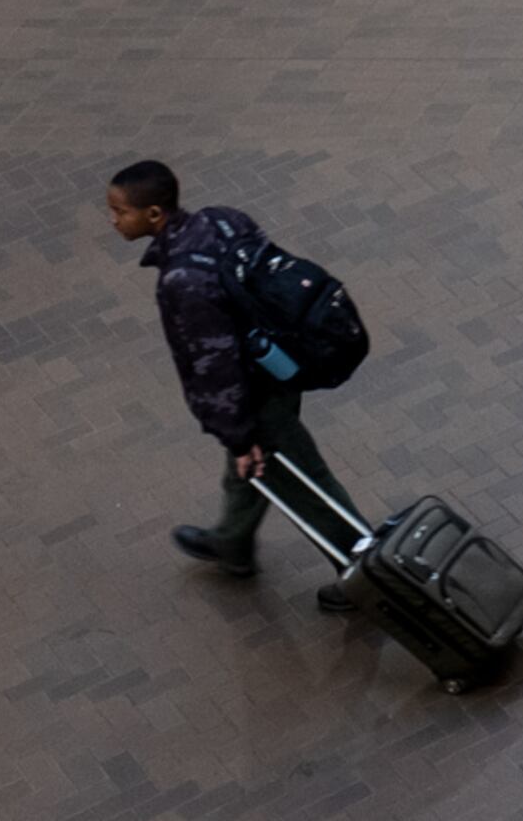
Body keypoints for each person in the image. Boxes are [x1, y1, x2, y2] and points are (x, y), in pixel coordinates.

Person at [106, 161, 362, 612]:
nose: (113, 220)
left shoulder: (182, 281)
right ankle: (232, 542)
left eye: (120, 211)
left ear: (153, 214)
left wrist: (239, 435)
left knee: (300, 481)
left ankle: (364, 574)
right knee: (253, 467)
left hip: (253, 392)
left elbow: (215, 367)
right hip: (281, 364)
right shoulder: (222, 220)